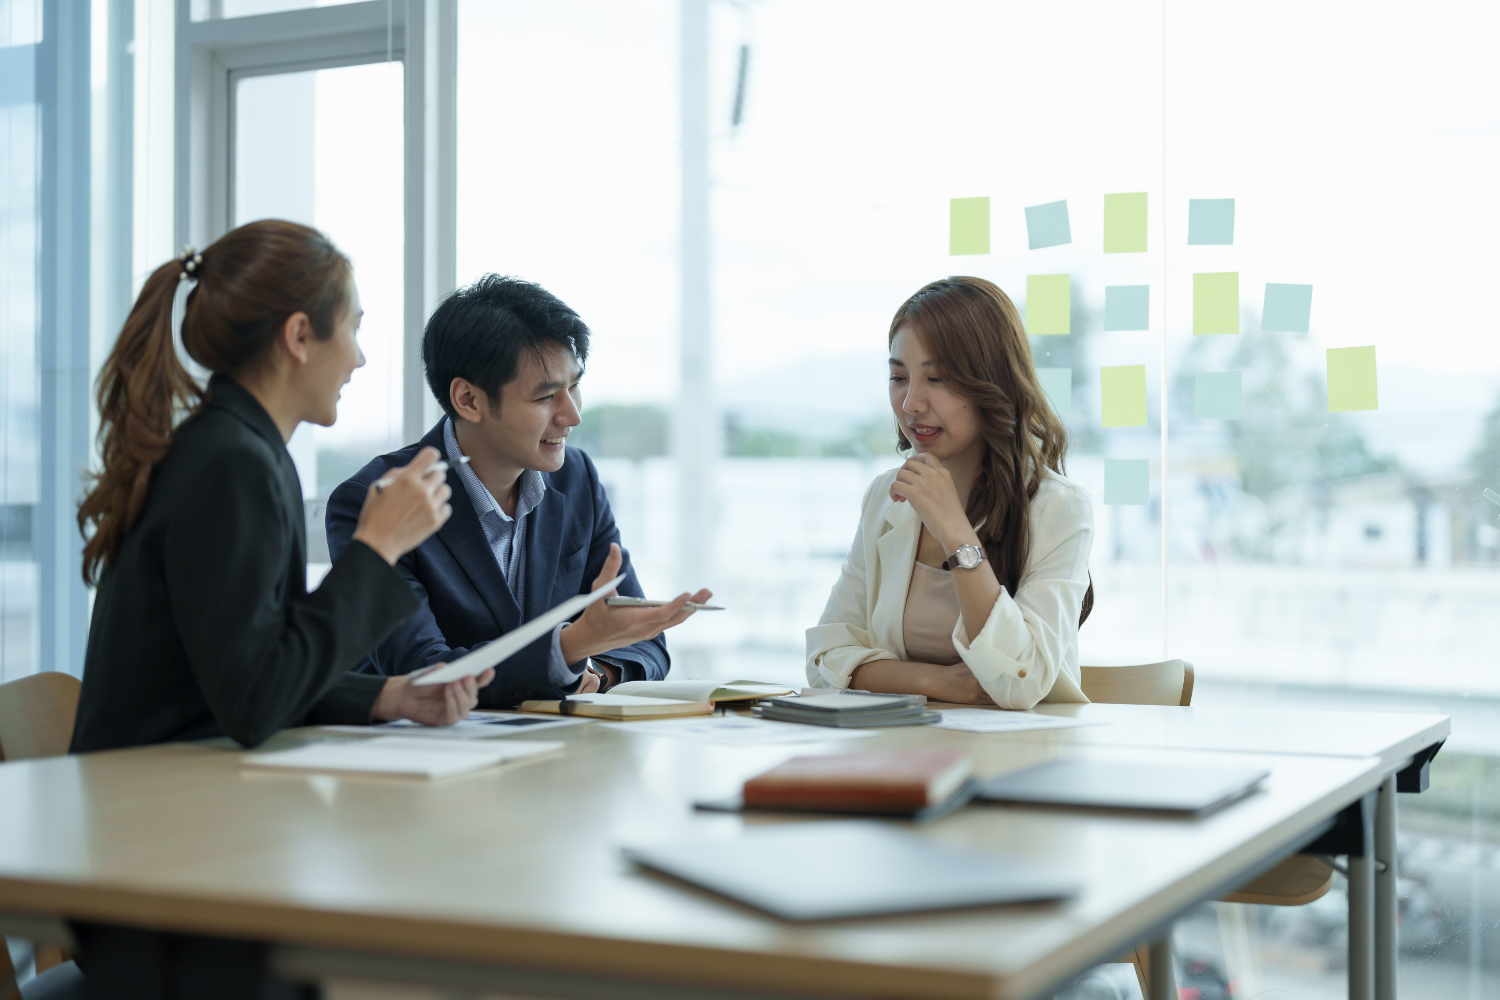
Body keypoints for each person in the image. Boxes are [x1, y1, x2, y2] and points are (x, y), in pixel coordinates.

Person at [71, 220, 492, 756]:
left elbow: (258, 666)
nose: (359, 358)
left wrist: (391, 696)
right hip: (149, 803)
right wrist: (376, 547)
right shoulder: (231, 462)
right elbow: (254, 702)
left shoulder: (236, 448)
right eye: (353, 330)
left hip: (168, 788)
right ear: (298, 337)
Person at [325, 275, 709, 708]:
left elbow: (644, 644)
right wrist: (568, 649)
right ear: (469, 400)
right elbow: (422, 674)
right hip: (432, 761)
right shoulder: (377, 502)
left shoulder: (577, 478)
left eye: (574, 386)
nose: (572, 415)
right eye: (546, 396)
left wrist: (597, 672)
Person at [806, 276, 1094, 709]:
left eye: (936, 378)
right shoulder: (887, 496)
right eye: (899, 377)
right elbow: (823, 659)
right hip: (905, 753)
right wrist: (939, 682)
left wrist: (954, 530)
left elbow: (1023, 681)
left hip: (1022, 759)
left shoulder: (1058, 508)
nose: (911, 403)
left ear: (992, 382)